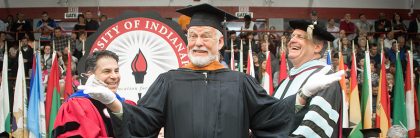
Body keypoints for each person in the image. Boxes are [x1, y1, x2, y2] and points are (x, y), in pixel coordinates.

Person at [82, 4, 344, 137]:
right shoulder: (168, 81)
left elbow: (270, 118)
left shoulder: (241, 82)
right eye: (193, 35)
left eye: (206, 36)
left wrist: (301, 96)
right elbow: (143, 122)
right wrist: (115, 105)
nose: (197, 42)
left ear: (220, 42)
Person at [273, 19, 342, 137]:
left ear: (317, 47)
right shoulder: (286, 81)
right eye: (292, 36)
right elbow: (272, 119)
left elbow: (314, 130)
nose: (292, 40)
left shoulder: (324, 79)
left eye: (300, 37)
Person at [52, 50, 136, 137]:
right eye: (107, 71)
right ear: (90, 75)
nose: (114, 76)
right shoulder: (76, 106)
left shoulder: (126, 104)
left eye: (116, 71)